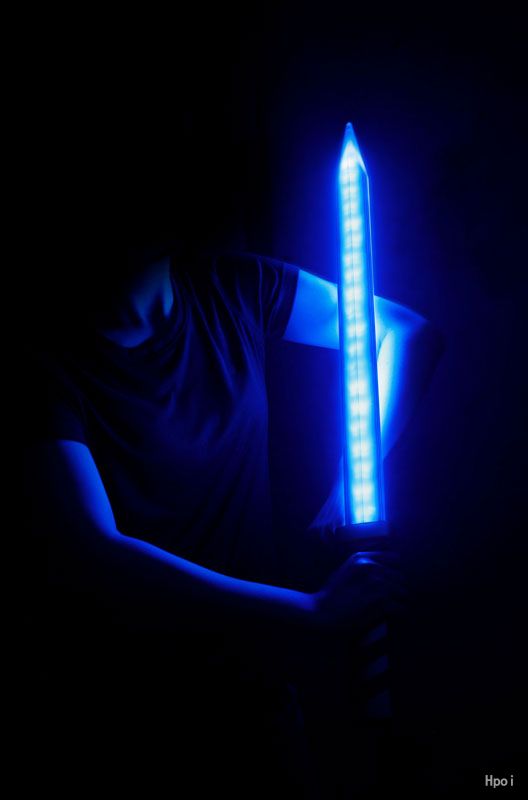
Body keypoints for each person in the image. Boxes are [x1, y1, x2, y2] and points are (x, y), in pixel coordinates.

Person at [22, 233, 444, 798]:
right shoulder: (45, 366)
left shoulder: (231, 285)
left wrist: (351, 477)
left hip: (259, 687)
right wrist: (311, 611)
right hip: (123, 706)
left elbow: (407, 332)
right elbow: (98, 550)